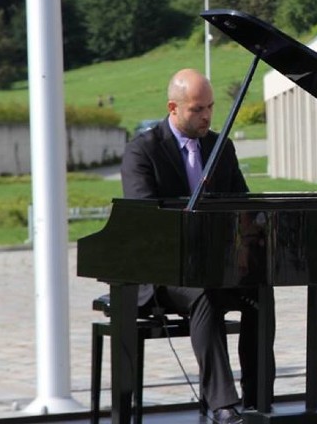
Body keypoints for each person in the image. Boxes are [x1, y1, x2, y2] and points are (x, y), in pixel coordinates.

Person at [121, 68, 266, 424]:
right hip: (162, 274)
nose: (206, 116)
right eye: (197, 109)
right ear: (173, 107)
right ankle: (222, 404)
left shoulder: (221, 147)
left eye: (210, 108)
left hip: (213, 267)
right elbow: (145, 222)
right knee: (204, 293)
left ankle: (258, 395)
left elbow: (243, 207)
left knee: (261, 289)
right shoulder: (142, 151)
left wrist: (251, 240)